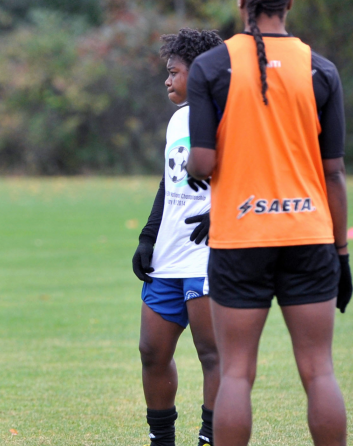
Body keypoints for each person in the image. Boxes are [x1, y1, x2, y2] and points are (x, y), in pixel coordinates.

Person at [185, 0, 353, 445]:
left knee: (236, 373)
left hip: (241, 237)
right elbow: (334, 173)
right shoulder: (320, 69)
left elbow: (202, 162)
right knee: (319, 371)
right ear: (291, 1)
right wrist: (341, 255)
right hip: (310, 235)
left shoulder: (213, 68)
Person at [132, 28, 223, 446]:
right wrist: (149, 236)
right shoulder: (177, 119)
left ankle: (209, 437)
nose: (167, 81)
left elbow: (251, 177)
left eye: (174, 72)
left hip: (209, 253)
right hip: (169, 253)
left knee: (212, 354)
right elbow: (168, 183)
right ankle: (161, 440)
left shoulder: (228, 113)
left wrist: (220, 215)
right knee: (151, 350)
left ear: (201, 71)